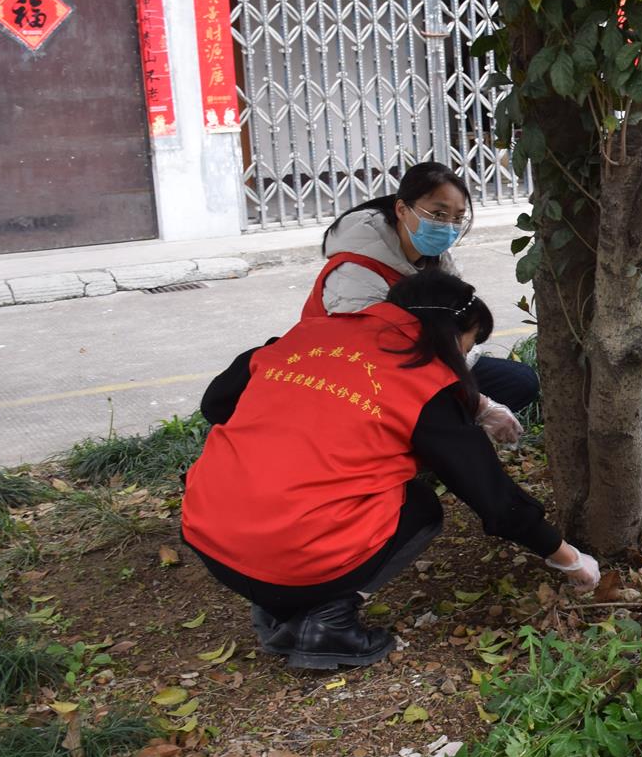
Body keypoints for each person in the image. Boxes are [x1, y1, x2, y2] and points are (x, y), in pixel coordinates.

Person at [182, 271, 598, 670]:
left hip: (209, 534)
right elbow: (495, 500)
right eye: (469, 346)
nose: (467, 360)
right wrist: (568, 558)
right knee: (417, 507)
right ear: (449, 335)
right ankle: (326, 622)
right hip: (289, 557)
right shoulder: (424, 383)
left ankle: (278, 603)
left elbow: (216, 405)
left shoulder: (305, 335)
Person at [307, 161, 535, 443]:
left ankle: (445, 440)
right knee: (440, 407)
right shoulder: (355, 272)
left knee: (519, 381)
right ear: (402, 209)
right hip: (362, 379)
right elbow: (376, 361)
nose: (448, 227)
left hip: (423, 362)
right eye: (438, 214)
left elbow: (455, 329)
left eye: (457, 217)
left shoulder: (435, 258)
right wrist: (478, 403)